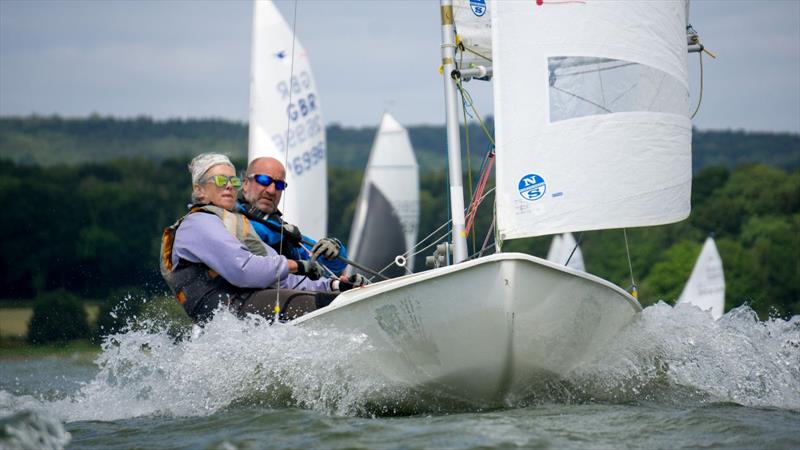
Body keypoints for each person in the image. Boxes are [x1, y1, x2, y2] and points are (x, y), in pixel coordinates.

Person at [159, 153, 350, 324]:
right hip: (229, 315)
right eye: (219, 180)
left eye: (233, 181)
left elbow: (281, 280)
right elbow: (243, 270)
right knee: (330, 305)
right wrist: (297, 265)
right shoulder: (198, 223)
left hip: (252, 306)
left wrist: (335, 285)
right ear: (199, 189)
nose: (228, 186)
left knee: (337, 298)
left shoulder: (238, 225)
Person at [238, 156, 368, 285]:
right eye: (264, 180)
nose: (272, 190)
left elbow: (332, 268)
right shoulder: (230, 217)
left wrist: (335, 250)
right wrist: (279, 231)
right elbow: (249, 235)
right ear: (245, 183)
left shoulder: (283, 229)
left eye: (279, 184)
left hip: (285, 298)